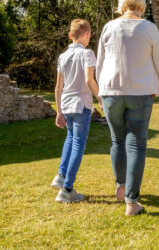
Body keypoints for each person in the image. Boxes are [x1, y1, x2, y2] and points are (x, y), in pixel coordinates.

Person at [96, 0, 159, 216]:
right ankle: (131, 201)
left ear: (122, 5)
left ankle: (120, 188)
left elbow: (100, 63)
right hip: (140, 91)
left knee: (117, 141)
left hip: (111, 90)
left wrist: (101, 91)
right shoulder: (148, 28)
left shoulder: (109, 27)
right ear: (141, 6)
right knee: (136, 143)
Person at [51, 19, 102, 203]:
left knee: (70, 139)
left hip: (66, 103)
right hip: (81, 104)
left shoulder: (62, 57)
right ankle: (67, 189)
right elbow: (90, 80)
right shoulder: (87, 54)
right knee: (78, 144)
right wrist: (100, 98)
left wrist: (58, 111)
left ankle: (61, 175)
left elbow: (58, 87)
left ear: (70, 36)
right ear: (87, 35)